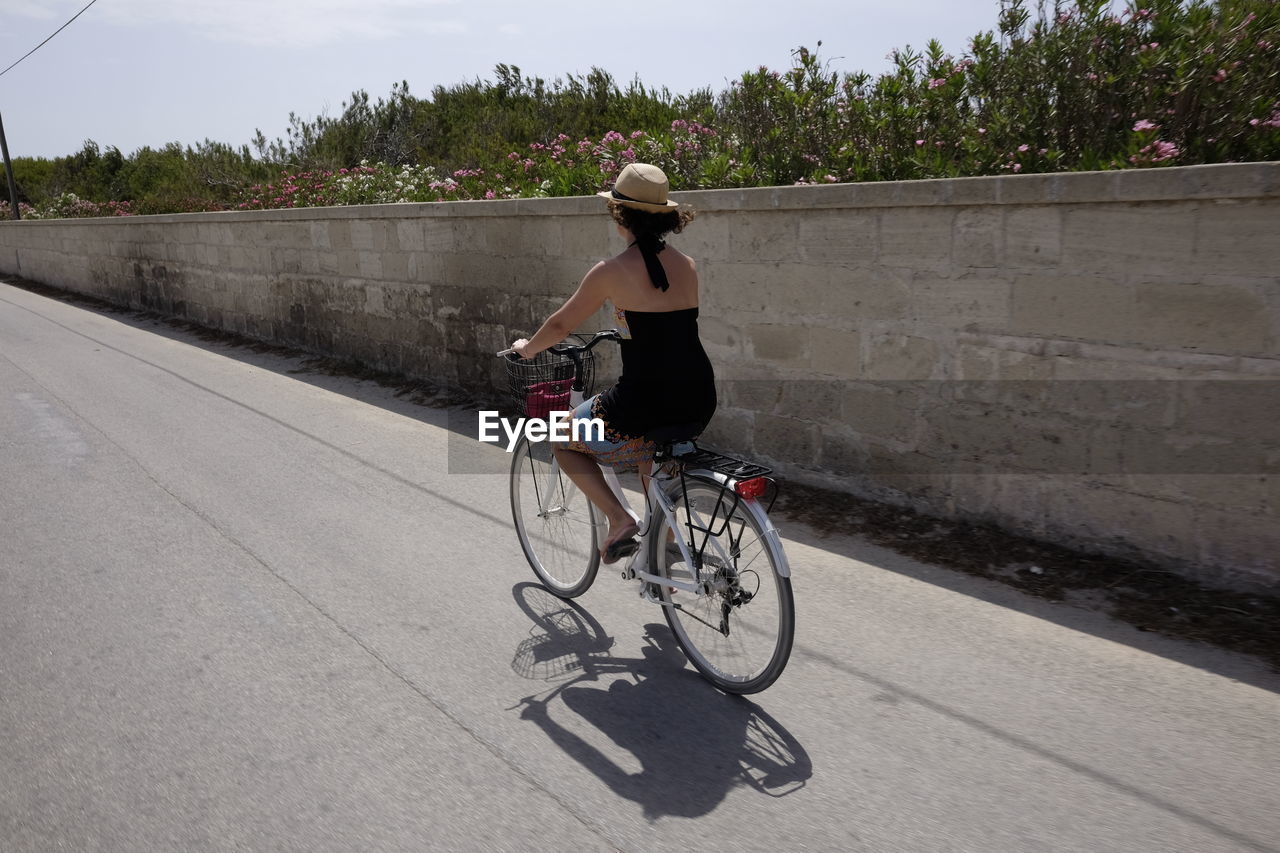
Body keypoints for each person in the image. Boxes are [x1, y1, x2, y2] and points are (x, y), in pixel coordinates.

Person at [510, 163, 716, 564]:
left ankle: (620, 519)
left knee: (561, 439)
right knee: (649, 455)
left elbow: (561, 324)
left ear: (620, 214)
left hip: (643, 399)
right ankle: (665, 549)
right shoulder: (687, 265)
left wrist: (529, 348)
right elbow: (666, 329)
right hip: (697, 394)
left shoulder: (610, 271)